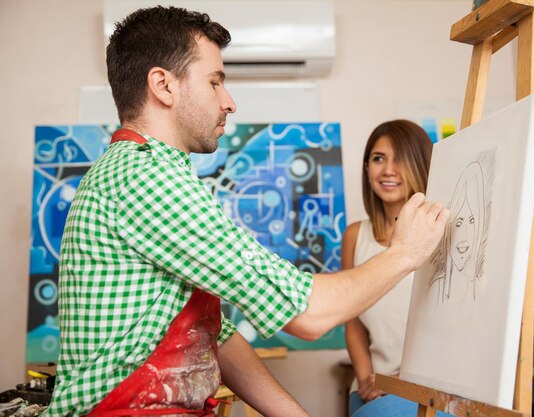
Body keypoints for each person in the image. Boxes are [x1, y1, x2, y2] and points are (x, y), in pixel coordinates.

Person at [43, 7, 449, 417]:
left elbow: (215, 337)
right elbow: (308, 313)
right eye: (215, 82)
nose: (229, 102)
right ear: (163, 86)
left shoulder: (151, 174)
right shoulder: (144, 178)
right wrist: (405, 254)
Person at [342, 120, 435, 417]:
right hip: (370, 384)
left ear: (421, 165)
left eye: (400, 159)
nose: (388, 170)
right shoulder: (355, 236)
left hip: (429, 382)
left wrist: (404, 380)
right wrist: (367, 377)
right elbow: (352, 319)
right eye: (378, 158)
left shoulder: (438, 230)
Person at [429, 160, 487, 304]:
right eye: (459, 222)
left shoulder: (484, 290)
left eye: (472, 221)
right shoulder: (435, 290)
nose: (465, 236)